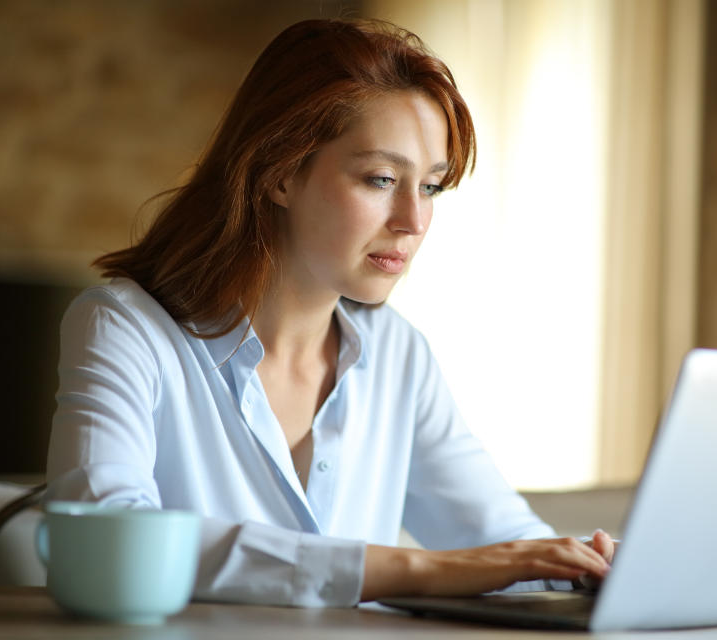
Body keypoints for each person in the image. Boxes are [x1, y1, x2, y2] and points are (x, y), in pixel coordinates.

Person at [45, 18, 615, 607]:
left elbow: (506, 544)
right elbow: (100, 535)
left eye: (431, 188)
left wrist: (594, 563)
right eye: (382, 178)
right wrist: (417, 569)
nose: (412, 222)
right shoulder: (124, 328)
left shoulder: (398, 354)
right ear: (281, 172)